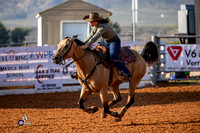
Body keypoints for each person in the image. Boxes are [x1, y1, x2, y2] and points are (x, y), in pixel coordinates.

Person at [80, 12, 131, 81]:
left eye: (91, 22)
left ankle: (126, 73)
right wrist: (82, 43)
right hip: (105, 41)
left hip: (114, 41)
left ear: (96, 21)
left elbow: (95, 37)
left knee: (113, 56)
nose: (90, 23)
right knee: (95, 51)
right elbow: (90, 36)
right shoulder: (95, 27)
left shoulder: (102, 27)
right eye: (89, 22)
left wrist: (86, 45)